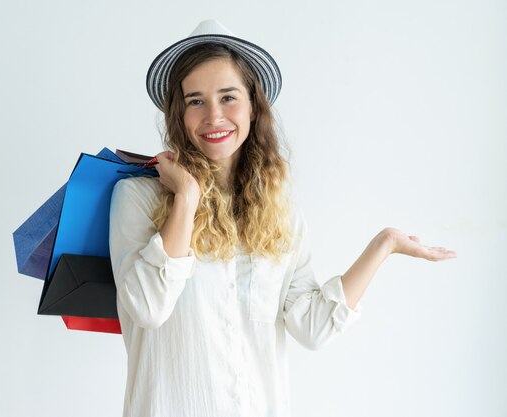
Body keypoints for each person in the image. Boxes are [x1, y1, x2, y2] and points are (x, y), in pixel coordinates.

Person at [108, 20, 457, 417]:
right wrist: (187, 198)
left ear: (254, 106)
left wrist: (385, 244)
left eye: (228, 97)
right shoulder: (137, 197)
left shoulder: (277, 212)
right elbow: (148, 309)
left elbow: (311, 326)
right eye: (195, 101)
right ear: (179, 113)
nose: (214, 116)